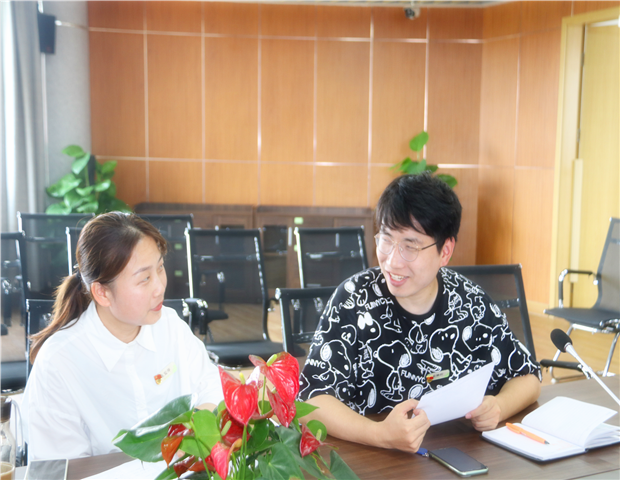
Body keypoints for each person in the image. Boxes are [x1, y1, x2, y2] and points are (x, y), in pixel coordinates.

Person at [298, 172, 541, 453]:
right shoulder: (354, 299)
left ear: (445, 251)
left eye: (410, 246)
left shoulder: (469, 302)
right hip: (369, 459)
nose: (392, 261)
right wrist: (379, 434)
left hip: (451, 455)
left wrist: (499, 405)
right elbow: (311, 400)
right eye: (386, 239)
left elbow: (528, 376)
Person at [22, 212, 223, 461]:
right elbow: (61, 468)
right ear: (102, 293)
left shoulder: (170, 325)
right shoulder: (59, 362)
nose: (160, 287)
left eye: (160, 268)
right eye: (144, 278)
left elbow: (212, 387)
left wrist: (193, 431)